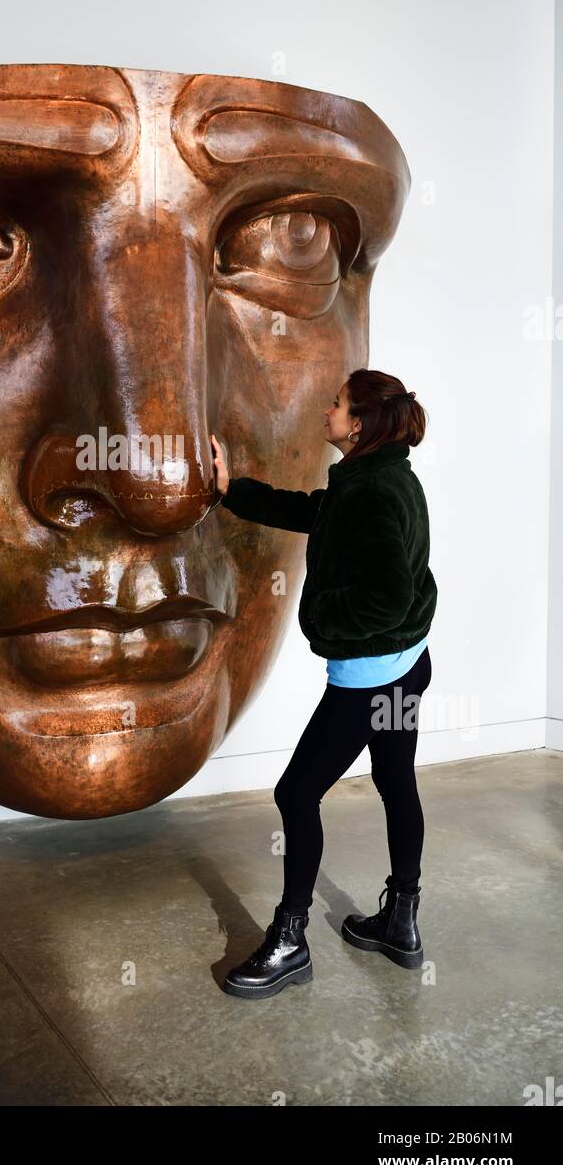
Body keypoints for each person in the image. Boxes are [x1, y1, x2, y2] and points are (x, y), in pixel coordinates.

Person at [210, 368, 437, 1000]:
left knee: (295, 794)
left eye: (335, 405)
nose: (325, 411)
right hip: (406, 666)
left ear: (359, 423)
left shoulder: (371, 491)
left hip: (368, 681)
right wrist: (234, 491)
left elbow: (388, 597)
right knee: (396, 783)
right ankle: (401, 923)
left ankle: (289, 940)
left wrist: (322, 620)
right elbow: (315, 513)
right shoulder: (377, 479)